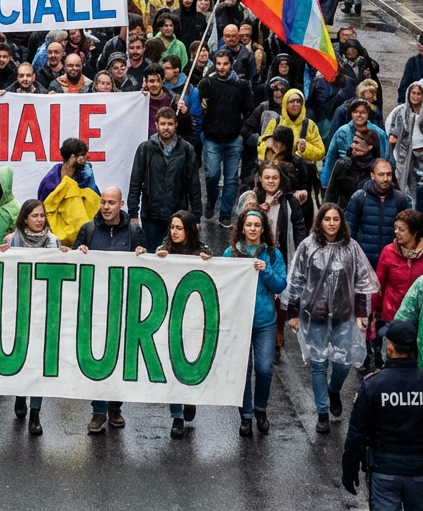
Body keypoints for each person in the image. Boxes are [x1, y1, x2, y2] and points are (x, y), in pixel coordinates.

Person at [287, 203, 379, 432]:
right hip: (314, 315)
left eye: (335, 219)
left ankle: (334, 390)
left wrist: (361, 314)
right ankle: (322, 413)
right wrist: (292, 314)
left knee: (343, 362)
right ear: (320, 221)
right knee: (318, 364)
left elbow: (362, 282)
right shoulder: (308, 247)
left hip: (342, 315)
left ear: (341, 222)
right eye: (327, 219)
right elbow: (296, 279)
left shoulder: (351, 248)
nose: (331, 223)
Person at [74, 186, 147, 433]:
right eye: (103, 202)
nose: (106, 207)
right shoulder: (88, 230)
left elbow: (146, 266)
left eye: (111, 203)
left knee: (119, 359)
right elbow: (72, 265)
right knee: (96, 359)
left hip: (124, 306)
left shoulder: (135, 231)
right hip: (94, 306)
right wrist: (78, 253)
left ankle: (115, 407)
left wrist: (142, 254)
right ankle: (98, 411)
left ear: (121, 204)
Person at [0, 199, 70, 437]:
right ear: (25, 219)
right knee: (22, 357)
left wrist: (66, 257)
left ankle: (36, 413)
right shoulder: (12, 240)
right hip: (19, 310)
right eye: (35, 216)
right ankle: (20, 394)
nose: (40, 220)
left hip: (43, 310)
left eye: (42, 216)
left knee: (39, 362)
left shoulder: (53, 242)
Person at [342, 320, 423, 507]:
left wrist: (350, 468)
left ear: (390, 349)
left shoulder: (373, 386)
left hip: (384, 471)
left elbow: (357, 433)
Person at [223, 209, 287, 436]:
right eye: (248, 225)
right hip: (239, 322)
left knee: (263, 368)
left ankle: (261, 408)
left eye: (257, 225)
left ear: (263, 228)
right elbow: (221, 283)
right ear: (242, 227)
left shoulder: (272, 254)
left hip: (264, 321)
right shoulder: (231, 252)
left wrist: (266, 270)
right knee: (243, 370)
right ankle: (246, 415)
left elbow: (280, 285)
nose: (252, 229)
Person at [156, 210, 212, 436]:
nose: (174, 232)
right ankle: (176, 417)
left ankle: (190, 399)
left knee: (190, 363)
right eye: (172, 227)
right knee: (173, 365)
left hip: (195, 318)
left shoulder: (203, 250)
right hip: (171, 318)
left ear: (189, 230)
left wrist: (209, 263)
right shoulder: (164, 249)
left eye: (179, 228)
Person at [127, 107, 201, 251]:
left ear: (176, 125)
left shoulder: (187, 149)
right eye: (163, 124)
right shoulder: (145, 148)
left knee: (177, 256)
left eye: (170, 124)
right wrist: (133, 214)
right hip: (151, 215)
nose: (166, 127)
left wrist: (197, 218)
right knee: (153, 255)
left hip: (178, 215)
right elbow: (135, 182)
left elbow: (194, 185)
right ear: (156, 125)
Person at [197, 48, 254, 226]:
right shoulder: (208, 83)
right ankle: (212, 201)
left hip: (233, 139)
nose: (221, 67)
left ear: (231, 64)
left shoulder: (241, 85)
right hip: (212, 138)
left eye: (225, 64)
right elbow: (196, 102)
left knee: (231, 180)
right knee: (212, 175)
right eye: (218, 64)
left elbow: (250, 110)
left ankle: (225, 213)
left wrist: (242, 134)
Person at [374, 209, 423, 368]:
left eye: (401, 229)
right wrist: (373, 311)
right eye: (395, 228)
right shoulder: (388, 252)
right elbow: (378, 285)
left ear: (414, 232)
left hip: (416, 318)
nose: (396, 232)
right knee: (392, 360)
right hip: (392, 316)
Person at [345, 160, 411, 269]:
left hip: (392, 262)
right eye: (381, 174)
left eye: (389, 174)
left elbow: (409, 231)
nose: (386, 179)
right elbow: (349, 231)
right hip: (363, 262)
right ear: (372, 175)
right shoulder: (359, 198)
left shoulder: (400, 199)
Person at [386, 79, 423, 204]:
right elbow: (392, 135)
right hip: (403, 159)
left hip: (421, 160)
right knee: (405, 190)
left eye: (419, 93)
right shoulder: (400, 112)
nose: (415, 96)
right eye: (413, 93)